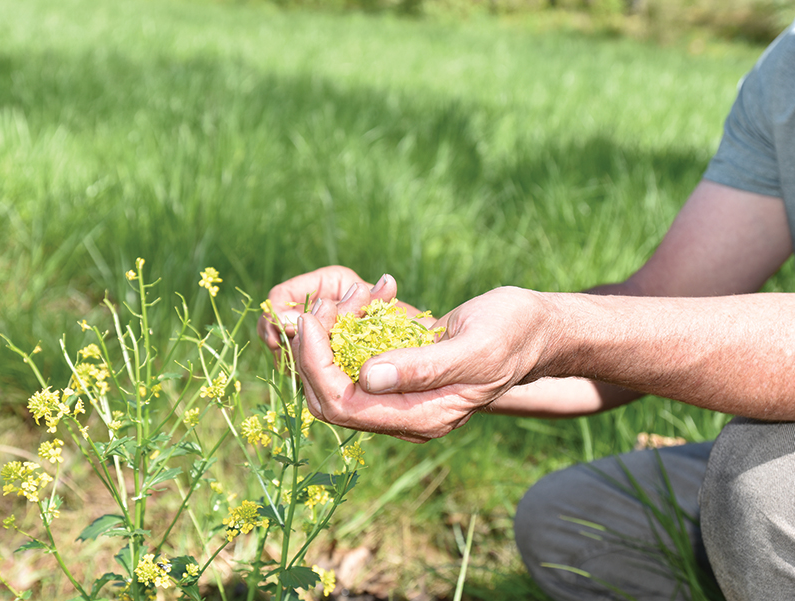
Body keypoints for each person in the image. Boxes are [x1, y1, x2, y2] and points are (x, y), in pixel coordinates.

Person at [257, 20, 795, 601]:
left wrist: (552, 331)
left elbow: (591, 334)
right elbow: (660, 307)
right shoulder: (784, 74)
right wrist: (422, 348)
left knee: (759, 487)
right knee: (573, 525)